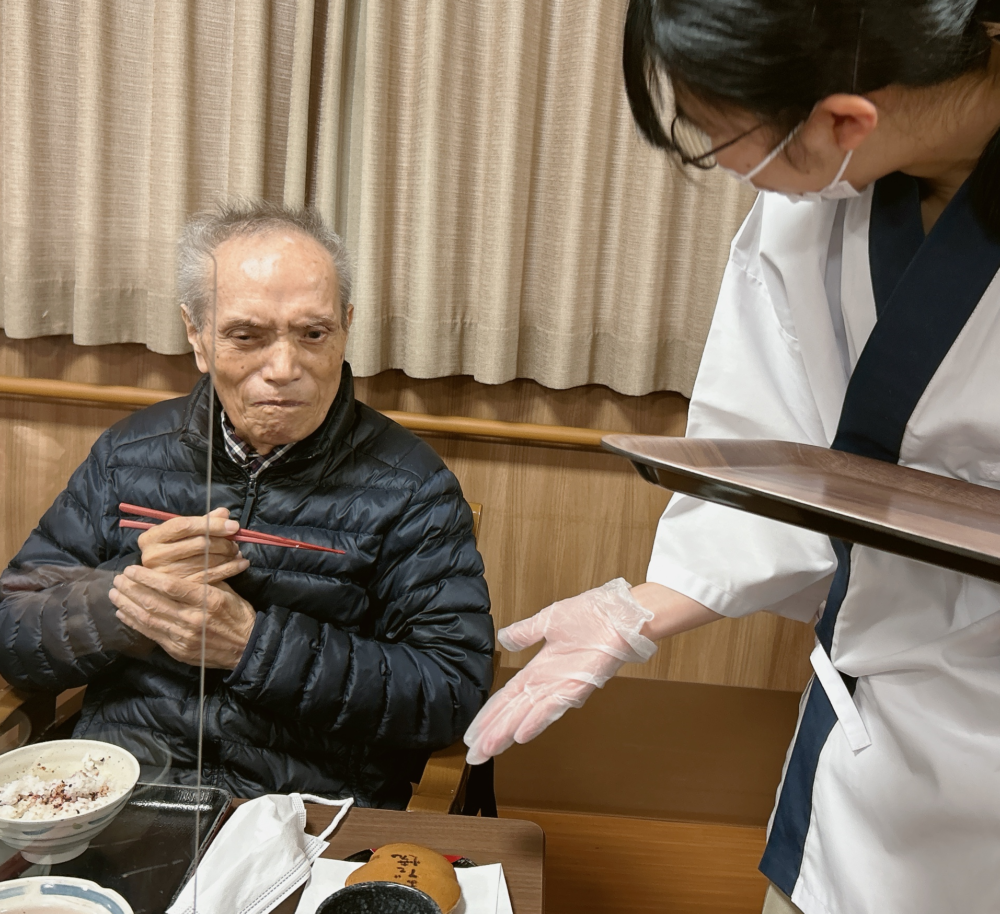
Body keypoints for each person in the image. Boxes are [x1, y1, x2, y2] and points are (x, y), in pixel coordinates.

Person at [464, 1, 1000, 911]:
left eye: (727, 141)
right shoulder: (815, 209)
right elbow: (778, 454)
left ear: (844, 122)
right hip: (871, 720)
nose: (736, 172)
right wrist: (637, 610)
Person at [0, 201, 494, 808]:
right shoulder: (127, 454)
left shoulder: (413, 485)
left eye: (313, 334)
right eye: (246, 335)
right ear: (197, 335)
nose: (283, 369)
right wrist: (125, 601)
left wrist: (252, 646)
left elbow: (452, 690)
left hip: (300, 812)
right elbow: (11, 628)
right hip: (118, 792)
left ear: (345, 325)